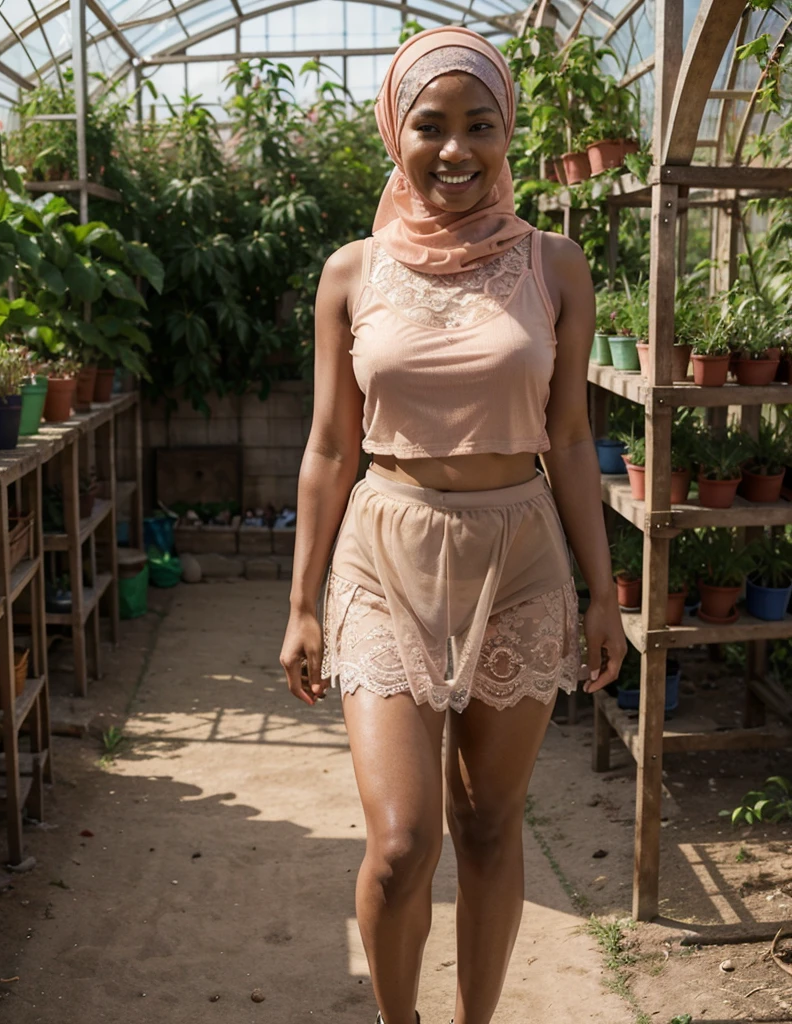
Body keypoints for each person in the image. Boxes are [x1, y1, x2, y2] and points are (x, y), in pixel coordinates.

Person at [278, 25, 627, 1024]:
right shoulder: (351, 271)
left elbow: (565, 439)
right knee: (400, 845)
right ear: (397, 130)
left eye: (480, 124)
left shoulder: (553, 265)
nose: (455, 148)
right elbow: (328, 449)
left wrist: (604, 592)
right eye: (431, 124)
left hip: (516, 556)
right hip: (384, 551)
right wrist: (301, 603)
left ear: (507, 134)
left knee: (485, 822)